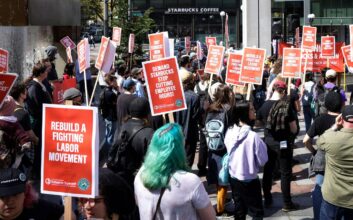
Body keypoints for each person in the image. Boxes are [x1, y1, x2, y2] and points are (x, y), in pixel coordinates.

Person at [134, 123, 216, 220]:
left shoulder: (140, 175)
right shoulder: (190, 181)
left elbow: (139, 204)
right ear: (179, 148)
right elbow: (210, 217)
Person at [257, 80, 299, 211]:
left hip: (269, 142)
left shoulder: (264, 106)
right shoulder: (286, 106)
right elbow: (293, 128)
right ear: (283, 91)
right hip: (284, 143)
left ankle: (268, 199)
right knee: (285, 173)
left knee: (268, 171)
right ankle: (287, 203)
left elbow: (258, 124)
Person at [224, 101, 268, 220]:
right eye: (252, 109)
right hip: (249, 178)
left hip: (234, 176)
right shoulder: (253, 136)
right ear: (245, 113)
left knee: (239, 209)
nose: (254, 111)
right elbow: (263, 160)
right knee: (257, 211)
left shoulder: (230, 131)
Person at [302, 91, 342, 220]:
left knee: (319, 187)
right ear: (341, 104)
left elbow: (305, 140)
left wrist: (314, 151)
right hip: (339, 159)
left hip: (323, 160)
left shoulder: (320, 119)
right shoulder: (344, 120)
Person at [316, 106, 353, 219]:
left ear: (341, 119)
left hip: (333, 196)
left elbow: (319, 142)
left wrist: (335, 126)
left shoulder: (330, 138)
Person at [108, 97, 154, 186]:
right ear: (147, 113)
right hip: (140, 179)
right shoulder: (149, 133)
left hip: (121, 177)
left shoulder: (120, 128)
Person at [205, 83, 235, 216]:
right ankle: (220, 208)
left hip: (213, 148)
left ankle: (221, 200)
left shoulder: (210, 108)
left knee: (219, 178)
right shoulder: (229, 109)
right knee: (224, 179)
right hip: (225, 148)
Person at [0, 168, 64, 219]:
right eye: (3, 196)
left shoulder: (38, 207)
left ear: (26, 193)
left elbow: (66, 213)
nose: (10, 201)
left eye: (15, 194)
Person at [25, 61, 52, 177]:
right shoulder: (33, 88)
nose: (47, 73)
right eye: (46, 71)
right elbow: (35, 109)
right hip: (38, 124)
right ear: (41, 73)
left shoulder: (39, 84)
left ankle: (39, 169)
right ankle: (36, 172)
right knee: (38, 147)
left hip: (42, 121)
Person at [174, 68, 200, 167]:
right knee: (188, 158)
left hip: (176, 132)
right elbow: (195, 116)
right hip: (190, 132)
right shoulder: (194, 97)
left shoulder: (175, 95)